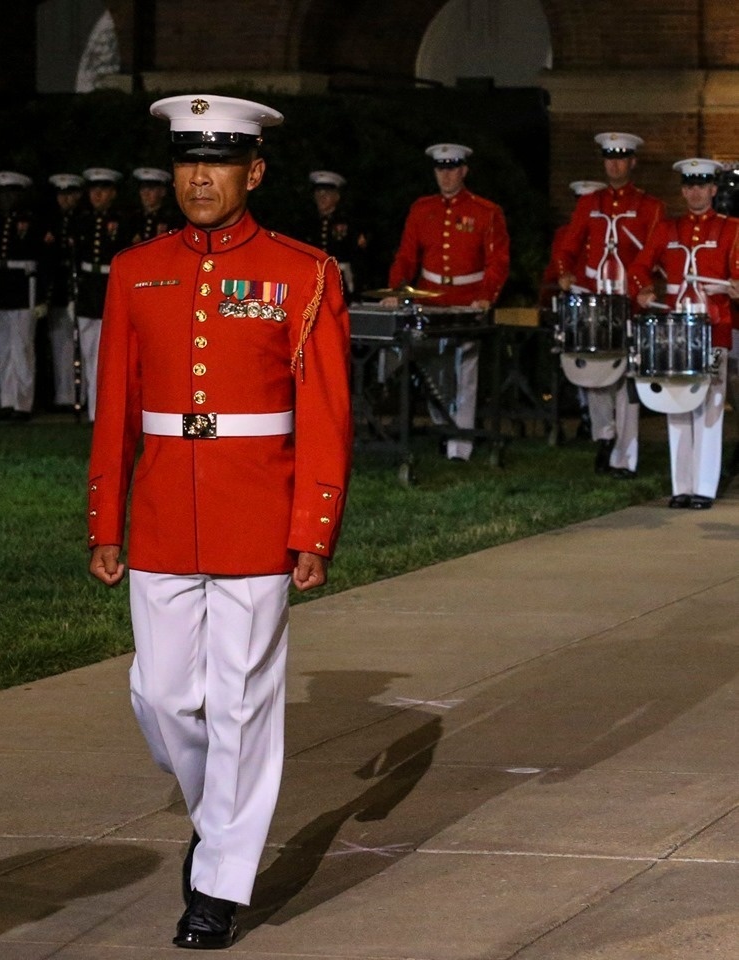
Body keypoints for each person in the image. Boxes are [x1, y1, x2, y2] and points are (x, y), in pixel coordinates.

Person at [87, 93, 352, 949]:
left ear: (254, 171)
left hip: (256, 509)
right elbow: (115, 407)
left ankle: (219, 884)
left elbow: (325, 413)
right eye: (188, 161)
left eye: (220, 161)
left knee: (240, 705)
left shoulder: (303, 271)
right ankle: (219, 817)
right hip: (164, 504)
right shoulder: (136, 269)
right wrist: (105, 518)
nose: (200, 177)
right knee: (164, 698)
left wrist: (312, 529)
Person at [384, 142, 510, 460]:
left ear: (464, 171)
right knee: (430, 368)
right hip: (429, 298)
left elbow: (498, 261)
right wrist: (396, 291)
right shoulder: (422, 208)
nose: (446, 175)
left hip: (467, 301)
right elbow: (407, 256)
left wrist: (485, 297)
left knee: (464, 371)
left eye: (452, 168)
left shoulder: (486, 211)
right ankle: (444, 430)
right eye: (441, 169)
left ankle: (460, 446)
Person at [630, 157, 739, 509]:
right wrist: (643, 290)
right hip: (675, 329)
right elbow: (639, 267)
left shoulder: (733, 229)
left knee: (710, 407)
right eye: (689, 185)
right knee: (676, 404)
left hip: (715, 326)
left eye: (702, 185)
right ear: (683, 190)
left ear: (713, 189)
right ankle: (681, 486)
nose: (695, 191)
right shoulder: (666, 229)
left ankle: (704, 488)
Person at [554, 132, 665, 477]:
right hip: (594, 299)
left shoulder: (650, 207)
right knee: (596, 373)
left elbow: (653, 255)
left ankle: (625, 456)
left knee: (627, 378)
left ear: (632, 162)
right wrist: (564, 272)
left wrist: (643, 288)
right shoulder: (590, 203)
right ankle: (605, 435)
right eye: (609, 158)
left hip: (628, 299)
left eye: (621, 158)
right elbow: (569, 245)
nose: (614, 164)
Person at [541, 179, 607, 440]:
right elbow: (554, 270)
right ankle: (585, 412)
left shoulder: (606, 232)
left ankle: (597, 419)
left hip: (603, 306)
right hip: (574, 307)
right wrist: (545, 300)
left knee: (600, 364)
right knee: (577, 362)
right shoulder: (564, 235)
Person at [0, 170, 46, 420]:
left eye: (12, 193)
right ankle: (7, 400)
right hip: (0, 288)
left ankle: (23, 403)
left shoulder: (32, 221)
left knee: (23, 347)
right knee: (4, 349)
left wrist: (41, 297)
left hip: (23, 287)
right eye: (4, 193)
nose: (7, 199)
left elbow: (43, 259)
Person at [73, 167, 130, 421]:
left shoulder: (124, 219)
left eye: (103, 190)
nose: (97, 195)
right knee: (88, 351)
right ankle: (92, 408)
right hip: (88, 288)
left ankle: (107, 409)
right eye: (94, 190)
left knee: (111, 354)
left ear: (113, 193)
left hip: (110, 284)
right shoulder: (81, 219)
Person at [43, 173, 84, 412]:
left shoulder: (82, 220)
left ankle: (81, 396)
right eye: (61, 194)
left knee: (83, 347)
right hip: (58, 291)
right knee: (60, 346)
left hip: (79, 290)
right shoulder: (52, 221)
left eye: (69, 194)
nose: (65, 199)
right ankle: (64, 395)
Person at [301, 170, 368, 301]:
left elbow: (359, 255)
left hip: (340, 278)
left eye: (327, 193)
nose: (322, 197)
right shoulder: (308, 223)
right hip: (313, 277)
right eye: (319, 193)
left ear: (336, 197)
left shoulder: (349, 222)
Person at [129, 166, 183, 243]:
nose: (146, 194)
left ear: (162, 192)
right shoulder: (133, 218)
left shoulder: (172, 219)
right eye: (143, 189)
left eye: (151, 189)